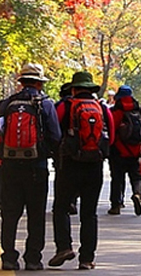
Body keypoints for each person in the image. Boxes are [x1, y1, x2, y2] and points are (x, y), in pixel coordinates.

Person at [0, 63, 62, 272]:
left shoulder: (6, 104)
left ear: (21, 81)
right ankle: (33, 258)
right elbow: (55, 136)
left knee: (10, 213)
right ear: (39, 83)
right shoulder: (45, 104)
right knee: (36, 213)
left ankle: (8, 256)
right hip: (36, 165)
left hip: (9, 165)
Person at [50, 71, 114, 270]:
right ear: (91, 89)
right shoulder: (102, 108)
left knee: (61, 207)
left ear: (74, 88)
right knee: (89, 213)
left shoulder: (65, 106)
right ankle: (87, 258)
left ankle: (64, 247)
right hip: (94, 166)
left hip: (69, 164)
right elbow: (110, 137)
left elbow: (54, 133)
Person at [108, 84, 141, 216]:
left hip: (118, 150)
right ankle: (137, 193)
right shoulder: (140, 111)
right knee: (135, 176)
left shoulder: (116, 111)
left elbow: (111, 129)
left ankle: (116, 205)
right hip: (135, 151)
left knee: (117, 178)